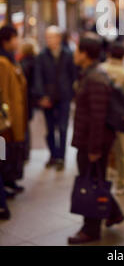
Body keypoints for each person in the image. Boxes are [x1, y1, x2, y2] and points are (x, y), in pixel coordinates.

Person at [68, 35, 124, 245]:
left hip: (93, 142)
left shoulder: (95, 78)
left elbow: (98, 117)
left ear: (85, 54)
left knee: (90, 182)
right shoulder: (90, 74)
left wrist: (94, 148)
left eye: (77, 51)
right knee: (96, 178)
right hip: (89, 139)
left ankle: (90, 229)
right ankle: (113, 213)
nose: (74, 54)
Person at [34, 26, 76, 171]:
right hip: (48, 97)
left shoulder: (68, 54)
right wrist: (41, 96)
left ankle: (61, 158)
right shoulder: (41, 56)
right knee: (50, 128)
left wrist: (72, 94)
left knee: (63, 128)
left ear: (58, 38)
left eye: (52, 37)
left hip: (64, 96)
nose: (50, 40)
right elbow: (38, 77)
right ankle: (53, 154)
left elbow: (73, 75)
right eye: (48, 37)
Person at [101, 42, 124, 195]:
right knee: (122, 151)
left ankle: (104, 177)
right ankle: (121, 183)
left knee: (103, 149)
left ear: (109, 54)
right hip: (120, 118)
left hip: (102, 115)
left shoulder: (100, 69)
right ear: (123, 56)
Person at [0, 25, 27, 196]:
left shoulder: (10, 59)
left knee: (10, 152)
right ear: (6, 41)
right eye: (15, 38)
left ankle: (8, 183)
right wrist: (6, 118)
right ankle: (4, 187)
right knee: (4, 153)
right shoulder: (3, 62)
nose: (18, 41)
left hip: (15, 114)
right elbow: (2, 93)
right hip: (7, 120)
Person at [20, 39, 38, 161]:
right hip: (30, 98)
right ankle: (26, 153)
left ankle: (25, 153)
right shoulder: (36, 61)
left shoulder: (24, 63)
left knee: (24, 126)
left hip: (25, 98)